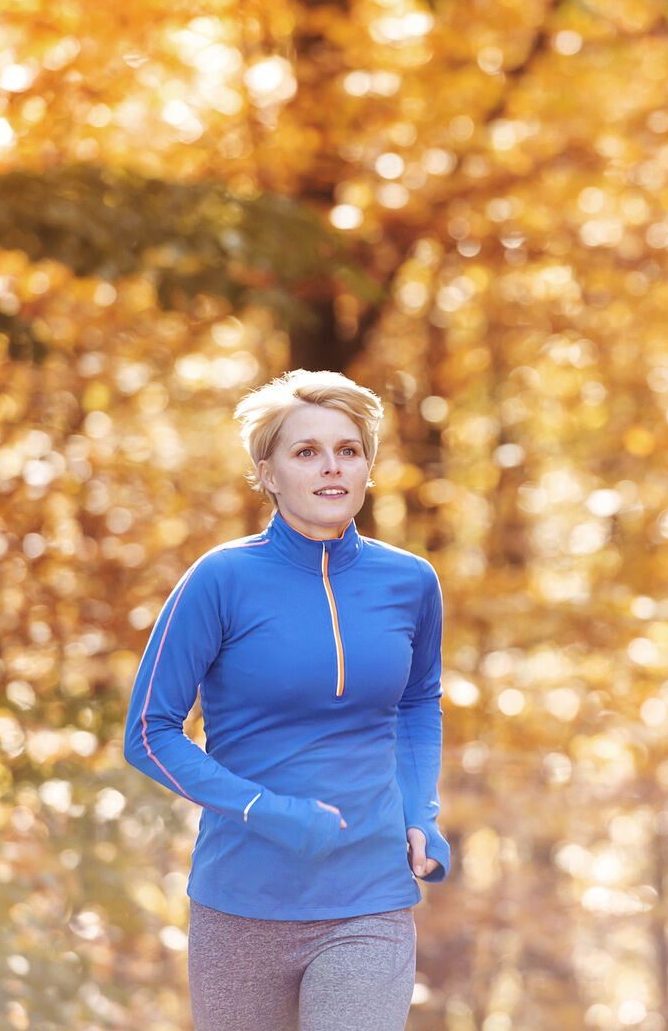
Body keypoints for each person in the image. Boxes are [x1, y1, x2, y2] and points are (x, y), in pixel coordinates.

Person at [123, 369, 451, 1031]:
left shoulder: (410, 582)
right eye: (306, 452)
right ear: (267, 474)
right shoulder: (220, 580)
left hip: (370, 897)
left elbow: (417, 705)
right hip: (243, 903)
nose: (331, 468)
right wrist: (265, 809)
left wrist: (421, 812)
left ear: (366, 468)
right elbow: (150, 733)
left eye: (348, 450)